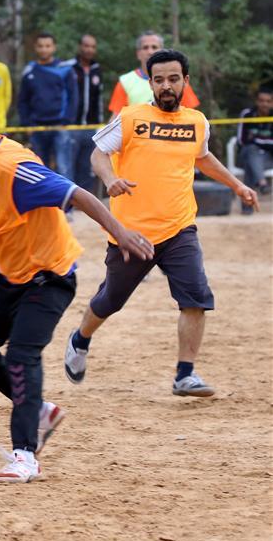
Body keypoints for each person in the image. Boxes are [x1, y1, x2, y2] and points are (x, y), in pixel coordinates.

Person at [0, 97, 153, 483]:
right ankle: (39, 410)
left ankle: (25, 455)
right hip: (12, 276)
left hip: (49, 276)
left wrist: (119, 232)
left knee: (22, 353)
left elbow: (77, 194)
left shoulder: (13, 168)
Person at [65, 50, 259, 398]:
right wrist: (109, 180)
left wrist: (237, 185)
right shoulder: (131, 117)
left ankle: (185, 374)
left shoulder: (197, 122)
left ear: (186, 81)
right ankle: (81, 338)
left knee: (195, 297)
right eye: (158, 80)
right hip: (130, 233)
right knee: (111, 299)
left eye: (173, 79)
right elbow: (98, 154)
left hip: (179, 227)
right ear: (150, 82)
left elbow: (203, 157)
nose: (166, 86)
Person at [18, 33, 77, 182]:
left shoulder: (65, 69)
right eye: (40, 46)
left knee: (63, 167)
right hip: (37, 127)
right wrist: (27, 124)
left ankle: (66, 204)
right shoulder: (29, 70)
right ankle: (43, 204)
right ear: (35, 48)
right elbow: (22, 100)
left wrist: (67, 121)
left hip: (60, 126)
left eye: (47, 46)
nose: (44, 49)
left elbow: (73, 97)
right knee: (38, 167)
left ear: (54, 47)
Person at [108, 31, 199, 117]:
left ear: (163, 51)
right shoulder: (125, 81)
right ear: (138, 54)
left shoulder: (177, 80)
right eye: (145, 47)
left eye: (154, 47)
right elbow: (116, 117)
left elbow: (191, 115)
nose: (150, 52)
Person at [61, 34, 103, 192]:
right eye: (86, 46)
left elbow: (98, 98)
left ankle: (83, 208)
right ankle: (67, 203)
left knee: (87, 166)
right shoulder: (67, 67)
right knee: (67, 166)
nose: (89, 50)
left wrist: (99, 124)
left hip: (91, 127)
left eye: (92, 46)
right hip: (70, 126)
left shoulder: (97, 69)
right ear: (80, 46)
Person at [236, 86, 272, 213]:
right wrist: (264, 143)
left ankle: (247, 209)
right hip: (246, 153)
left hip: (268, 159)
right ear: (257, 101)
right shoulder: (247, 114)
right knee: (251, 151)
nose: (264, 104)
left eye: (268, 101)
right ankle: (262, 183)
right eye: (262, 100)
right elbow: (241, 141)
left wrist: (256, 140)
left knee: (251, 163)